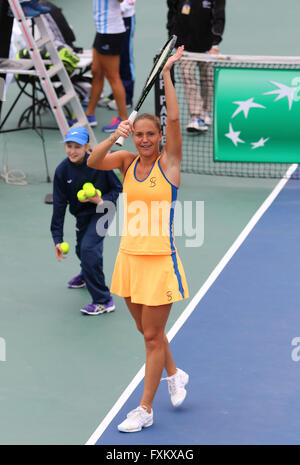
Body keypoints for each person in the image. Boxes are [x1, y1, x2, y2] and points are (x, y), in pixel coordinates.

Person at [87, 46, 189, 432]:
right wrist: (115, 136)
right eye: (140, 135)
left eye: (151, 135)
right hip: (129, 258)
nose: (144, 140)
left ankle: (145, 408)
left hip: (159, 261)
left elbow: (175, 118)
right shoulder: (127, 161)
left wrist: (165, 74)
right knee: (148, 332)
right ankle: (175, 373)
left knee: (150, 337)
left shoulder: (170, 164)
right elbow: (95, 160)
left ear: (160, 138)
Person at [50, 126, 123, 315]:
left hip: (103, 211)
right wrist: (57, 239)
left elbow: (117, 189)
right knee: (80, 248)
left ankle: (103, 300)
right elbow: (58, 206)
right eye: (69, 146)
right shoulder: (62, 171)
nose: (72, 151)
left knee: (89, 248)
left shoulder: (100, 163)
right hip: (82, 214)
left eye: (77, 147)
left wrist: (100, 200)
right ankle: (86, 274)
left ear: (87, 147)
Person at [167, 0, 226, 133]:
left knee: (207, 79)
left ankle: (206, 110)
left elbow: (219, 18)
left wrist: (215, 43)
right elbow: (172, 12)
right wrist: (173, 37)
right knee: (188, 79)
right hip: (184, 45)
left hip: (206, 45)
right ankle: (196, 117)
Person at [83, 0, 128, 132]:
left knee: (113, 76)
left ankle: (123, 119)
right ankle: (89, 114)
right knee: (96, 72)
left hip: (110, 33)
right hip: (101, 31)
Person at [100, 0, 136, 110]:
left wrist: (122, 9)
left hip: (125, 19)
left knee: (125, 58)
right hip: (111, 20)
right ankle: (116, 94)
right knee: (115, 59)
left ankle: (126, 98)